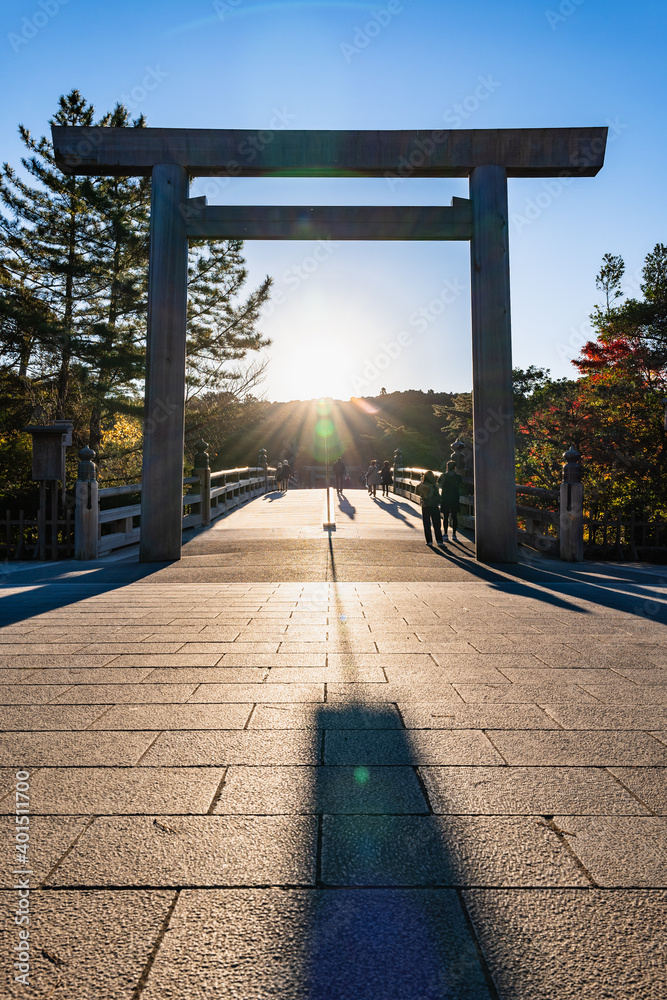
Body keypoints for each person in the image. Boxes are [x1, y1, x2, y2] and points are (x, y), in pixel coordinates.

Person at [416, 469, 443, 545]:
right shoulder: (435, 485)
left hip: (425, 506)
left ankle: (429, 541)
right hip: (434, 506)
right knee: (437, 524)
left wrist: (420, 484)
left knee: (427, 524)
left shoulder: (423, 485)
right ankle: (439, 540)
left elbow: (417, 492)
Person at [438, 461, 463, 541]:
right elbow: (460, 484)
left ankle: (445, 534)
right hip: (454, 498)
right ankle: (454, 534)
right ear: (455, 467)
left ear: (447, 467)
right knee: (454, 517)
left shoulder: (443, 476)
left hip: (445, 498)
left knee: (445, 517)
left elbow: (439, 484)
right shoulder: (458, 477)